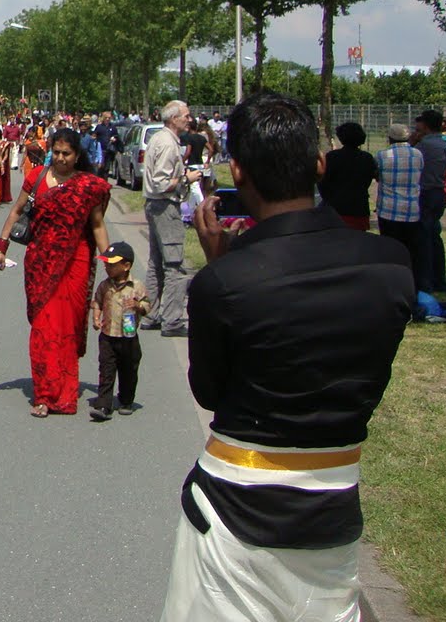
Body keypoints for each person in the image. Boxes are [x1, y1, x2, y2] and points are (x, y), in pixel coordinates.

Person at [158, 91, 412, 622]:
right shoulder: (391, 264)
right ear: (319, 164)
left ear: (238, 171)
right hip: (334, 499)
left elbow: (210, 390)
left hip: (236, 502)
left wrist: (220, 266)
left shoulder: (225, 282)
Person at [0, 129, 111, 417]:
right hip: (40, 262)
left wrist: (112, 263)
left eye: (66, 154)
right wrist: (1, 248)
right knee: (43, 328)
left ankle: (65, 395)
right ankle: (44, 394)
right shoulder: (37, 178)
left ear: (77, 156)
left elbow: (97, 226)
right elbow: (17, 211)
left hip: (75, 261)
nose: (60, 158)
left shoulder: (88, 186)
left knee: (67, 327)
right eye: (56, 152)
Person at [143, 100, 204, 338]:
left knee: (156, 262)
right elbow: (161, 183)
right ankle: (172, 319)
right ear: (173, 118)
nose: (189, 120)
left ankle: (150, 313)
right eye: (186, 116)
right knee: (174, 264)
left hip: (154, 205)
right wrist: (187, 178)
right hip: (165, 206)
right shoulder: (168, 144)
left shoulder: (159, 138)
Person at [88, 241, 149, 422]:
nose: (107, 267)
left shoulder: (136, 286)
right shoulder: (104, 286)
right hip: (108, 336)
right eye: (106, 264)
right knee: (106, 370)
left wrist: (137, 305)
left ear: (126, 266)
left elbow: (147, 305)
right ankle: (103, 405)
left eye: (112, 264)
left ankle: (126, 400)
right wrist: (96, 317)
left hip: (128, 337)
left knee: (128, 370)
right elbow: (97, 302)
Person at [374, 121, 424, 286]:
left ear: (389, 138)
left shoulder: (382, 155)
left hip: (388, 209)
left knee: (390, 248)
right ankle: (411, 280)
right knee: (411, 249)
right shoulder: (417, 154)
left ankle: (391, 280)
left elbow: (377, 175)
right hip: (411, 209)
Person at [411, 109, 446, 295]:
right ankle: (439, 280)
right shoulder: (442, 144)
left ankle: (425, 281)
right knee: (435, 237)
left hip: (425, 192)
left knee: (423, 239)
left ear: (425, 127)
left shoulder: (423, 146)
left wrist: (412, 143)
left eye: (418, 129)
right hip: (438, 192)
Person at [317, 121, 378, 230]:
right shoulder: (367, 158)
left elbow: (322, 182)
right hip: (359, 208)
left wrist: (328, 197)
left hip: (335, 209)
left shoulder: (332, 157)